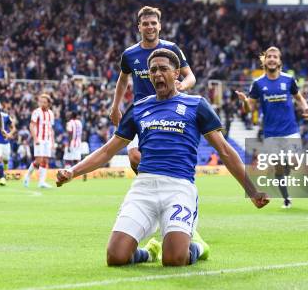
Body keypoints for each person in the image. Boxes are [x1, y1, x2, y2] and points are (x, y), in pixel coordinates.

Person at [57, 49, 269, 267]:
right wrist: (72, 171)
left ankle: (198, 247)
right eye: (153, 70)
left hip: (179, 188)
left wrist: (252, 191)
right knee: (116, 257)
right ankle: (148, 253)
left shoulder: (196, 105)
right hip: (144, 188)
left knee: (174, 259)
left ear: (176, 73)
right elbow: (107, 151)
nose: (157, 74)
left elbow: (225, 151)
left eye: (163, 69)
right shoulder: (139, 108)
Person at [109, 6, 196, 172]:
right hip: (141, 110)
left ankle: (159, 183)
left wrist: (182, 85)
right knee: (135, 158)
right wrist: (115, 106)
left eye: (153, 23)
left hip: (167, 109)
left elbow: (191, 76)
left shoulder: (171, 49)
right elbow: (122, 80)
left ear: (160, 26)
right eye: (146, 23)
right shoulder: (129, 54)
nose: (150, 27)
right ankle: (150, 183)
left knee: (163, 156)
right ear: (139, 27)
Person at [236, 46, 308, 209]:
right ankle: (286, 199)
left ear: (279, 61)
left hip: (290, 130)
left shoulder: (288, 80)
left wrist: (305, 107)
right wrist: (244, 101)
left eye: (275, 57)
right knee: (278, 168)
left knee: (295, 163)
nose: (271, 59)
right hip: (271, 133)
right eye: (269, 56)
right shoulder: (258, 84)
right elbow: (249, 108)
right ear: (265, 60)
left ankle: (285, 167)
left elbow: (298, 97)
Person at [24, 94, 55, 188]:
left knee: (45, 160)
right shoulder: (36, 112)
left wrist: (52, 141)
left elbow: (51, 128)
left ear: (48, 103)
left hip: (48, 139)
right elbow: (31, 125)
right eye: (41, 102)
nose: (42, 104)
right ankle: (27, 176)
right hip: (39, 139)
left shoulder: (51, 113)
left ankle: (41, 182)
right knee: (39, 160)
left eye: (44, 102)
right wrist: (35, 138)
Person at [0, 110, 16, 186]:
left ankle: (5, 165)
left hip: (5, 143)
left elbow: (13, 128)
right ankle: (2, 178)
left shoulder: (6, 116)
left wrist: (9, 134)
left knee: (6, 160)